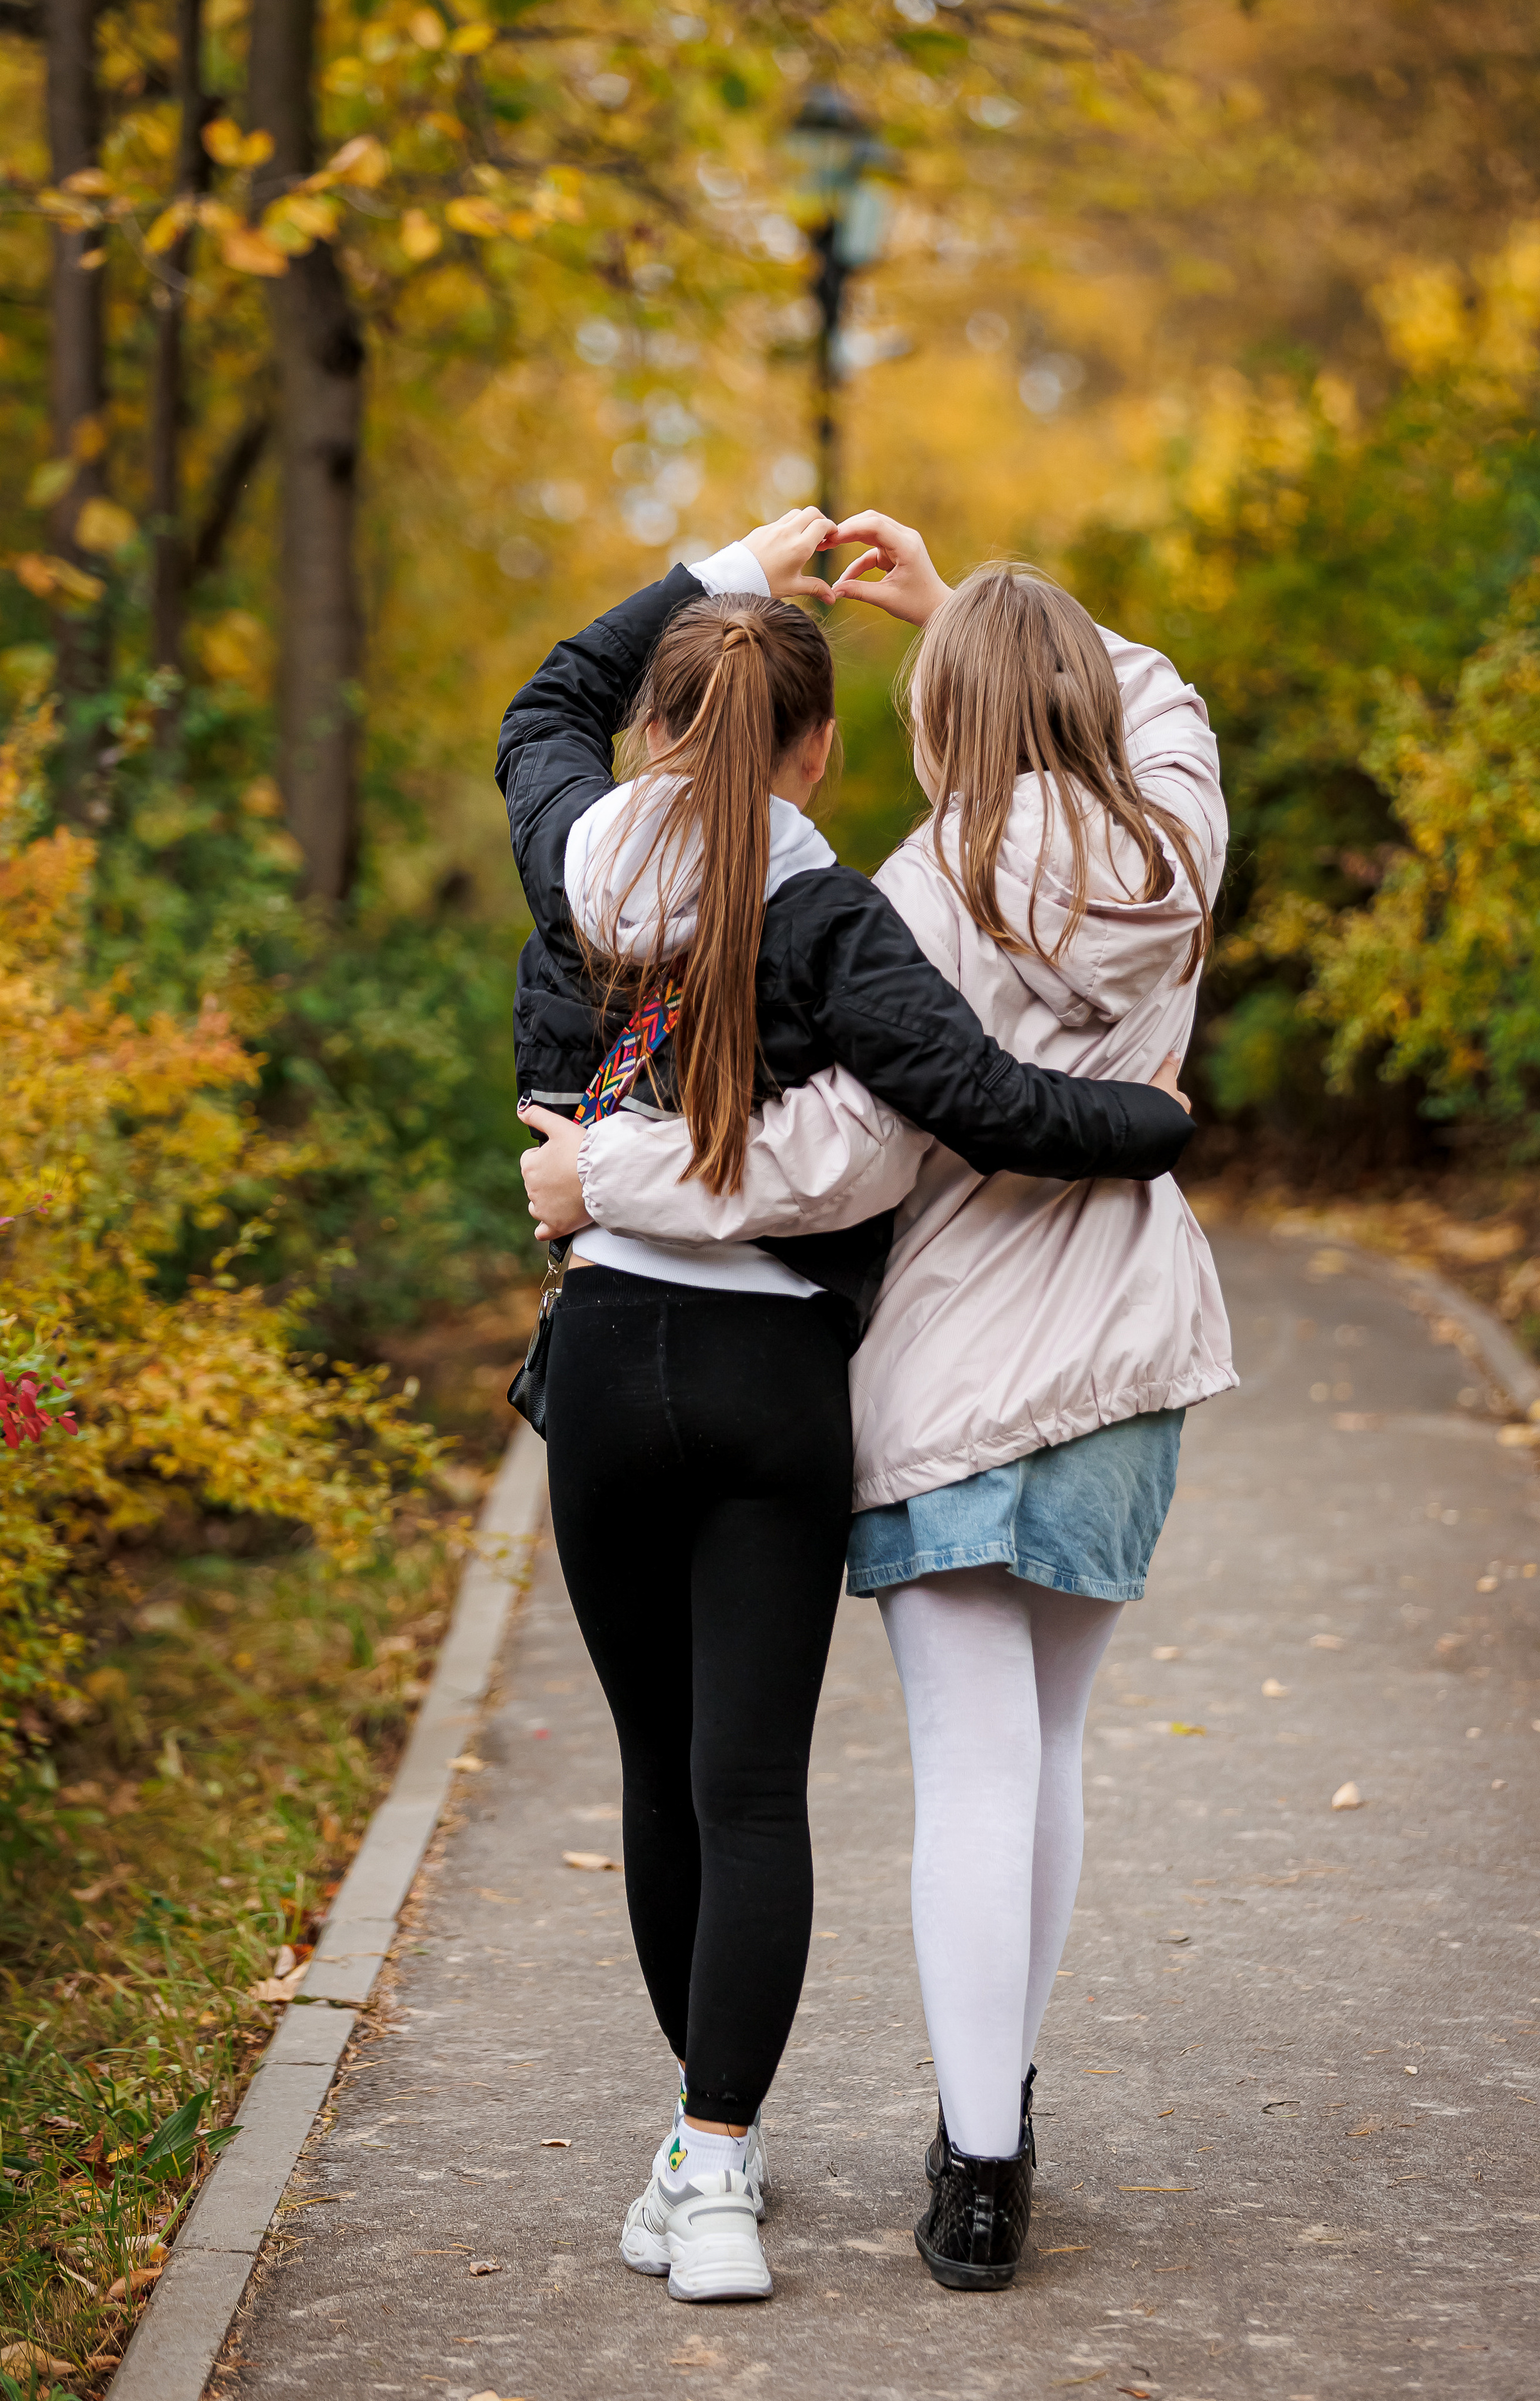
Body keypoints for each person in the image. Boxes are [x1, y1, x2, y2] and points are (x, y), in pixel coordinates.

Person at [518, 511, 1236, 2293]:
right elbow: (1170, 714)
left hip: (841, 1357)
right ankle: (961, 2131)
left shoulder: (880, 888)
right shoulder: (1171, 844)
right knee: (964, 1762)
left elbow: (847, 1144)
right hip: (1092, 1347)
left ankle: (805, 2164)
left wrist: (599, 1176)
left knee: (758, 1770)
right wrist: (974, 613)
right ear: (822, 745)